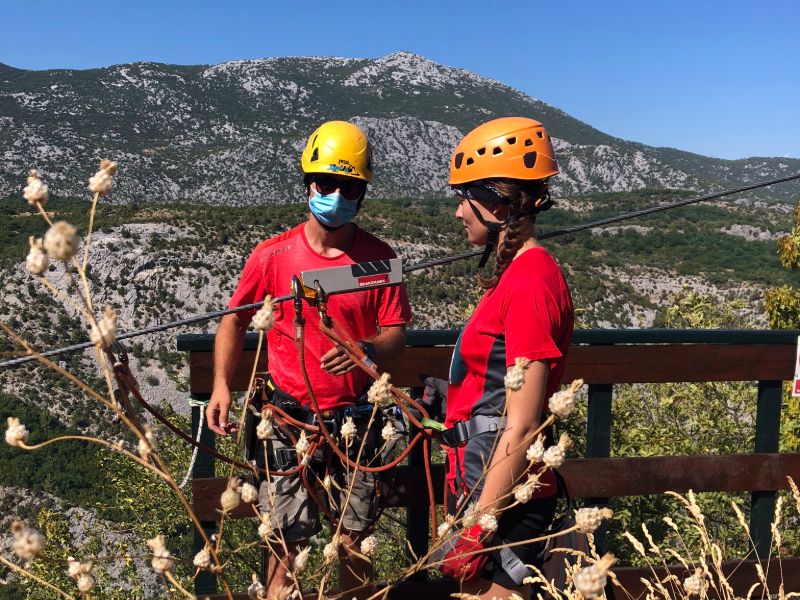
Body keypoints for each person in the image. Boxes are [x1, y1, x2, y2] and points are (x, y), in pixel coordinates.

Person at [206, 120, 411, 596]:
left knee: (355, 541)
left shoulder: (381, 260)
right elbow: (234, 320)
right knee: (285, 543)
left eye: (349, 187)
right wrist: (222, 383)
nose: (336, 196)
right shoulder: (272, 257)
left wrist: (368, 350)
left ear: (362, 193)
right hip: (286, 419)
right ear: (308, 185)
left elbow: (396, 332)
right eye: (327, 184)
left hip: (357, 423)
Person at [438, 117, 574, 599]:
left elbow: (521, 422)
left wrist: (478, 527)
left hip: (504, 500)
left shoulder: (530, 283)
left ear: (496, 203)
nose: (458, 213)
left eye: (464, 198)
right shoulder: (517, 275)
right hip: (489, 484)